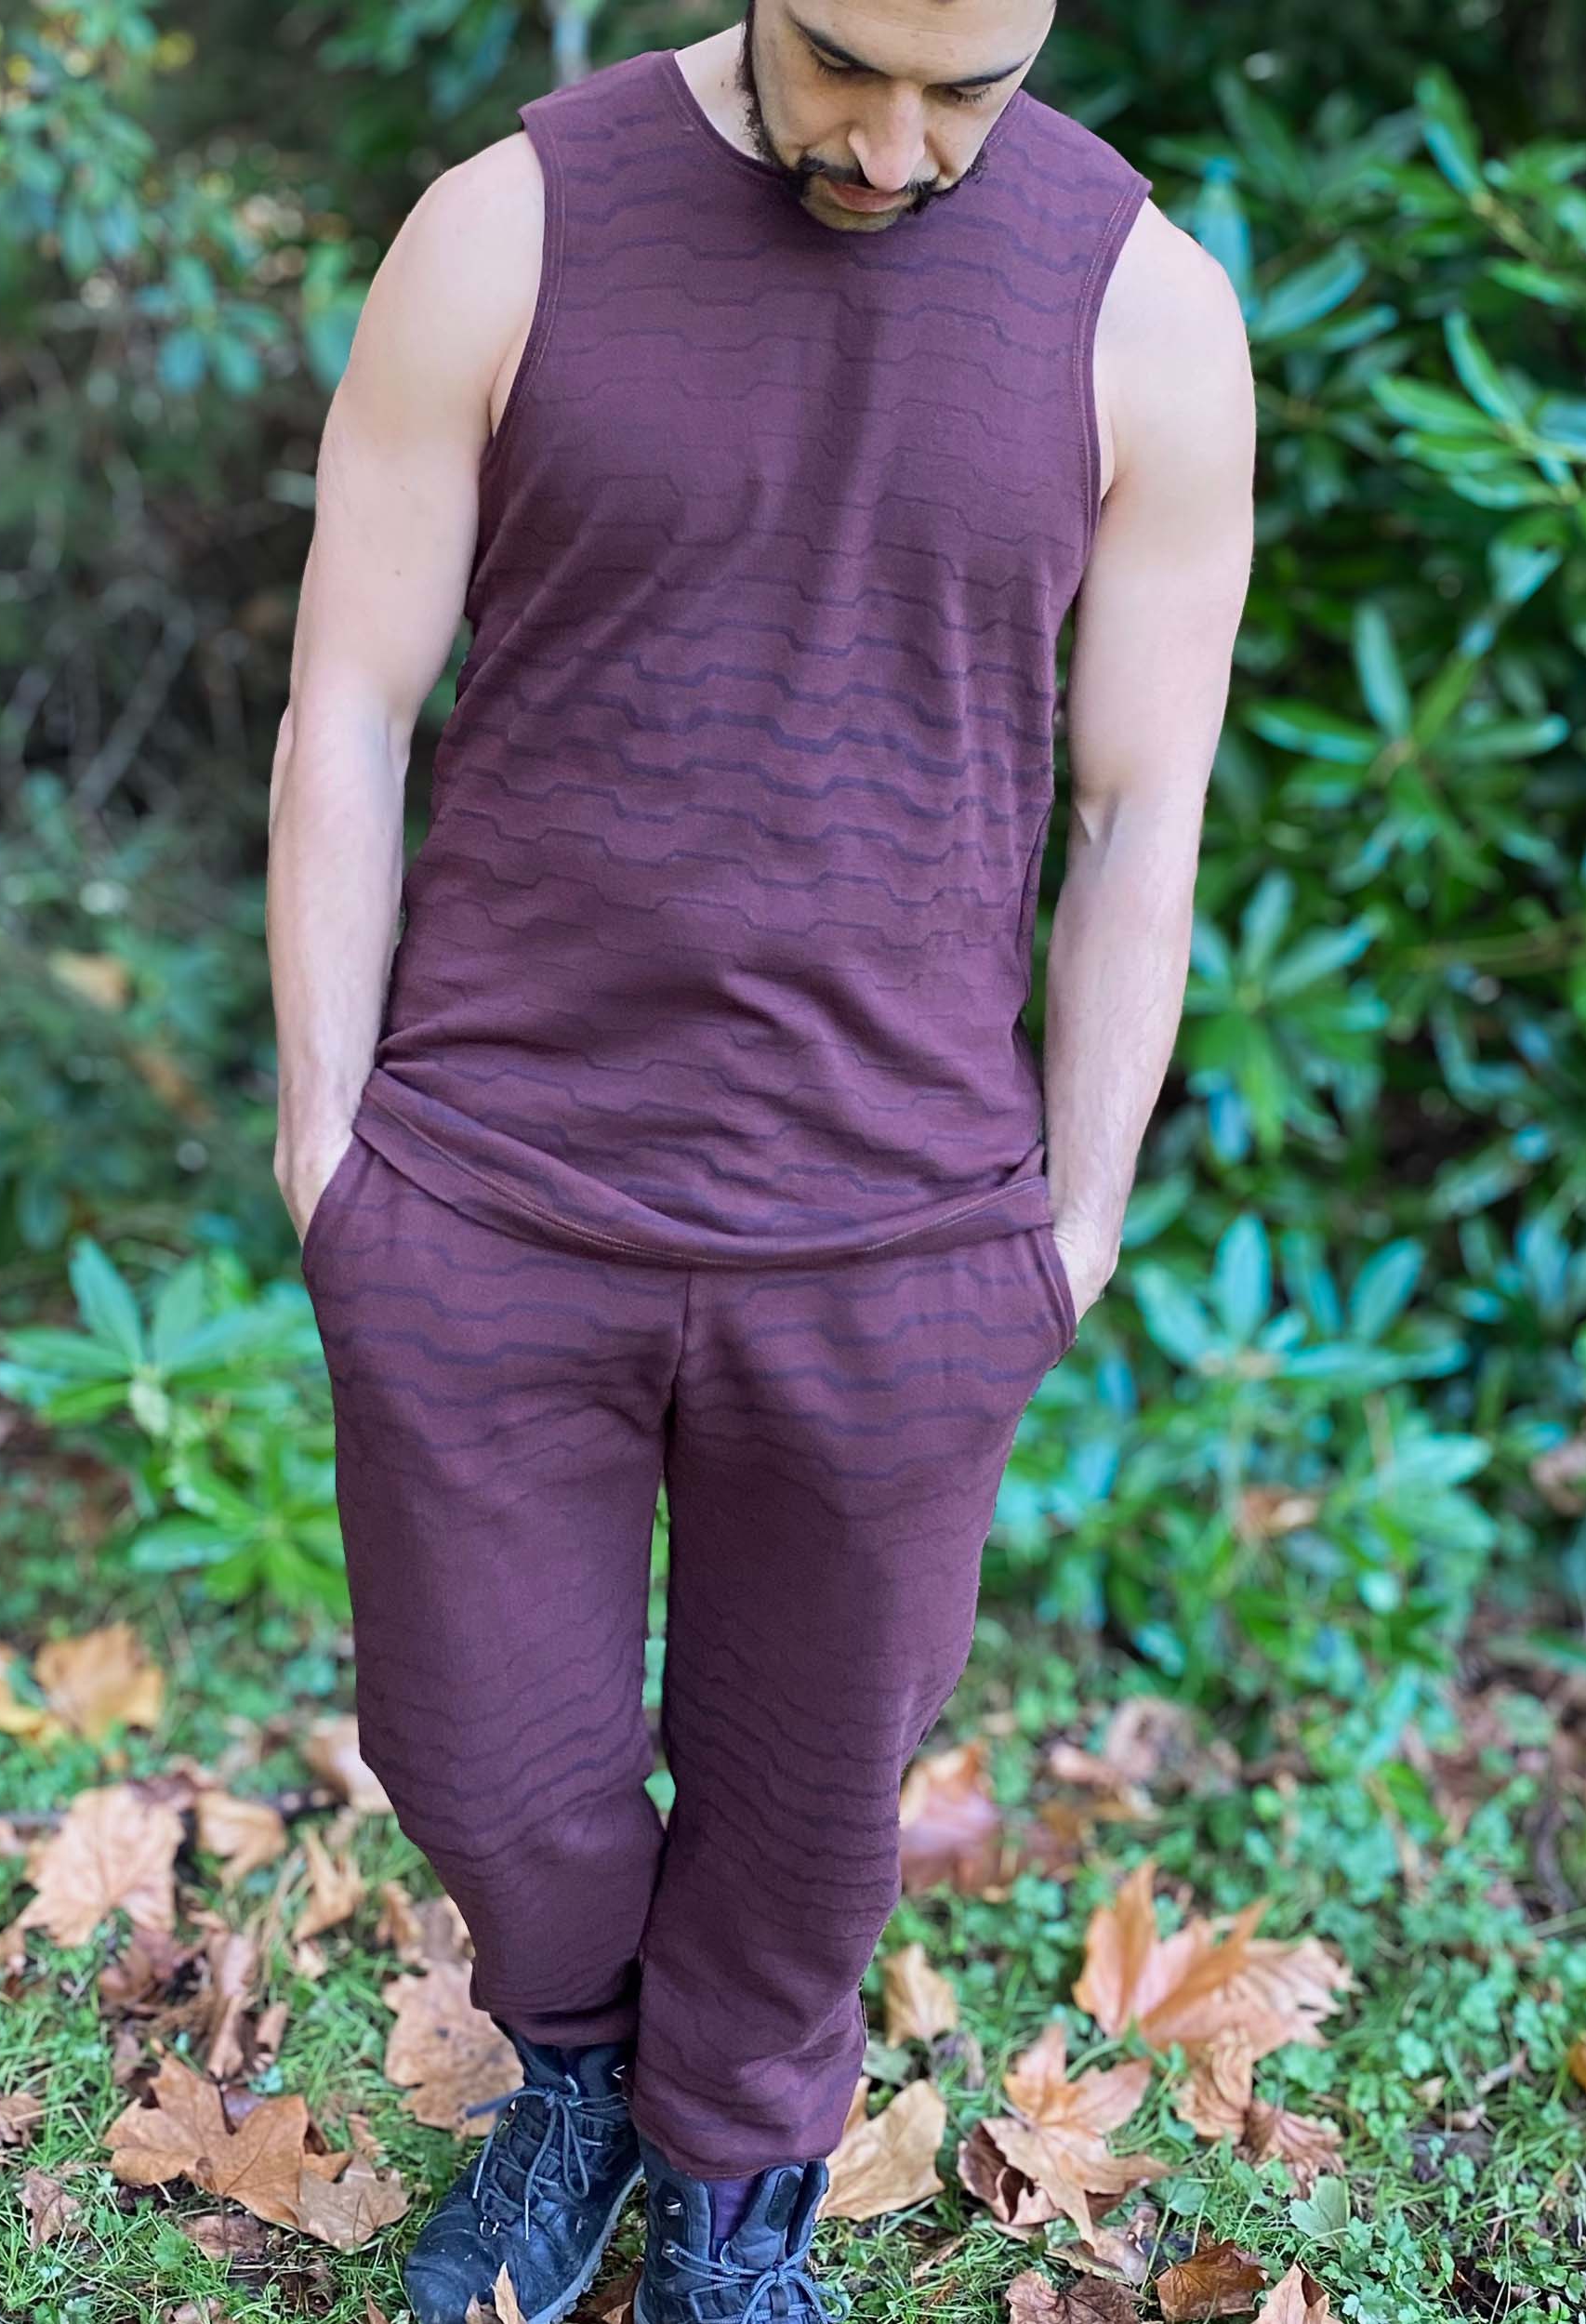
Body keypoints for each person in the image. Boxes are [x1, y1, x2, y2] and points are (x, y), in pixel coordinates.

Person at [266, 0, 1254, 2315]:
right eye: (844, 67)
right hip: (493, 1188)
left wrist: (1071, 1225)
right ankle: (580, 2074)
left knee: (811, 1806)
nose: (897, 146)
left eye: (965, 93)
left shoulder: (1144, 307)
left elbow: (1139, 810)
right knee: (481, 1758)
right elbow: (349, 702)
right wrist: (331, 1146)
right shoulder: (506, 230)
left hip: (899, 1230)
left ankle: (732, 2179)